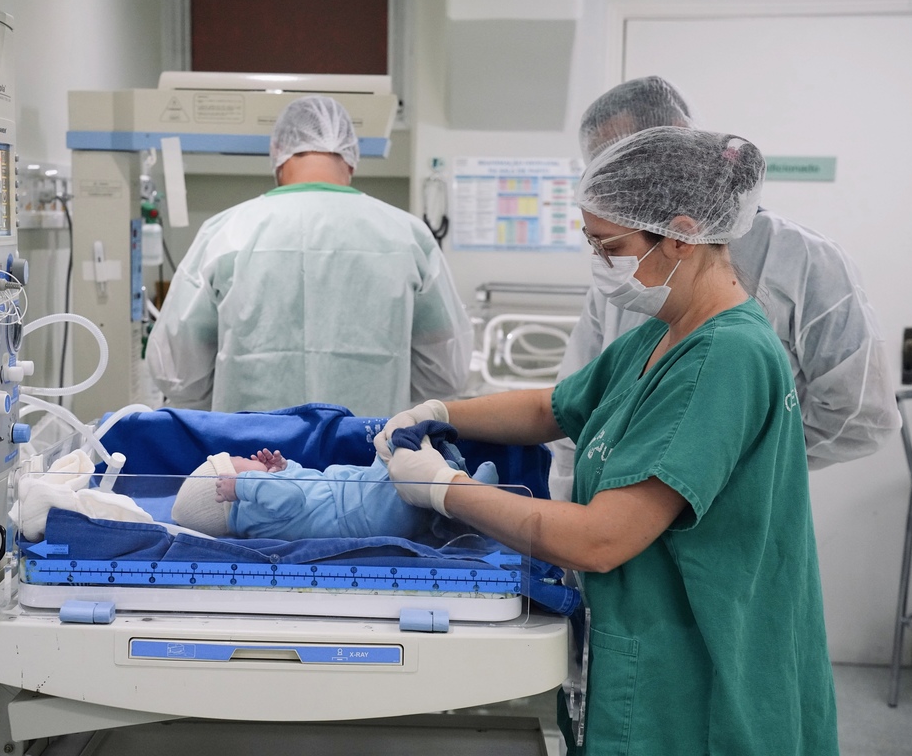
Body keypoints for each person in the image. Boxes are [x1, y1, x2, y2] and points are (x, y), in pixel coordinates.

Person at [375, 128, 839, 755]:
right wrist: (438, 411)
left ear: (680, 234)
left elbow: (600, 539)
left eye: (610, 246)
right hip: (649, 645)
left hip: (699, 677)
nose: (600, 262)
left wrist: (444, 490)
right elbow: (550, 408)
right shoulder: (665, 334)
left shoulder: (724, 357)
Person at [548, 76, 899, 501]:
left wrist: (732, 463)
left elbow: (861, 413)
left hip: (731, 505)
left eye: (637, 163)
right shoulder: (624, 269)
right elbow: (571, 407)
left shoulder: (796, 264)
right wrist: (569, 503)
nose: (624, 183)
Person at [146, 95, 472, 417]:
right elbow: (445, 374)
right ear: (352, 156)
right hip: (368, 446)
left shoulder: (226, 233)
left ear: (277, 152)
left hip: (251, 448)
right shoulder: (407, 236)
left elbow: (179, 374)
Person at [170, 435, 498, 540]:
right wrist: (247, 484)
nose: (247, 457)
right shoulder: (253, 514)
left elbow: (299, 487)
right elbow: (292, 497)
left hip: (359, 498)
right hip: (363, 510)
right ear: (229, 489)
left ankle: (456, 501)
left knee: (402, 468)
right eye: (240, 462)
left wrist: (283, 469)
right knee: (397, 455)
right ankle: (466, 496)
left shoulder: (260, 506)